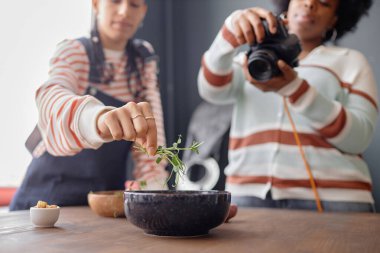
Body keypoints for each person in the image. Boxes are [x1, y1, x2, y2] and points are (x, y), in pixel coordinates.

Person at [198, 0, 377, 212]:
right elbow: (212, 90)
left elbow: (359, 137)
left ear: (335, 19)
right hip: (249, 193)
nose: (310, 4)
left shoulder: (351, 61)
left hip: (336, 198)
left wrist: (295, 89)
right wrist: (228, 34)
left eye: (324, 3)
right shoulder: (248, 59)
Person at [10, 0, 167, 211]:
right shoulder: (75, 51)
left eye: (134, 4)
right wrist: (96, 118)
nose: (124, 11)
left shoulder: (142, 61)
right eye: (115, 1)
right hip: (45, 196)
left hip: (102, 203)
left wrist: (156, 195)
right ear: (96, 4)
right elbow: (50, 99)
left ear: (143, 12)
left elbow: (151, 146)